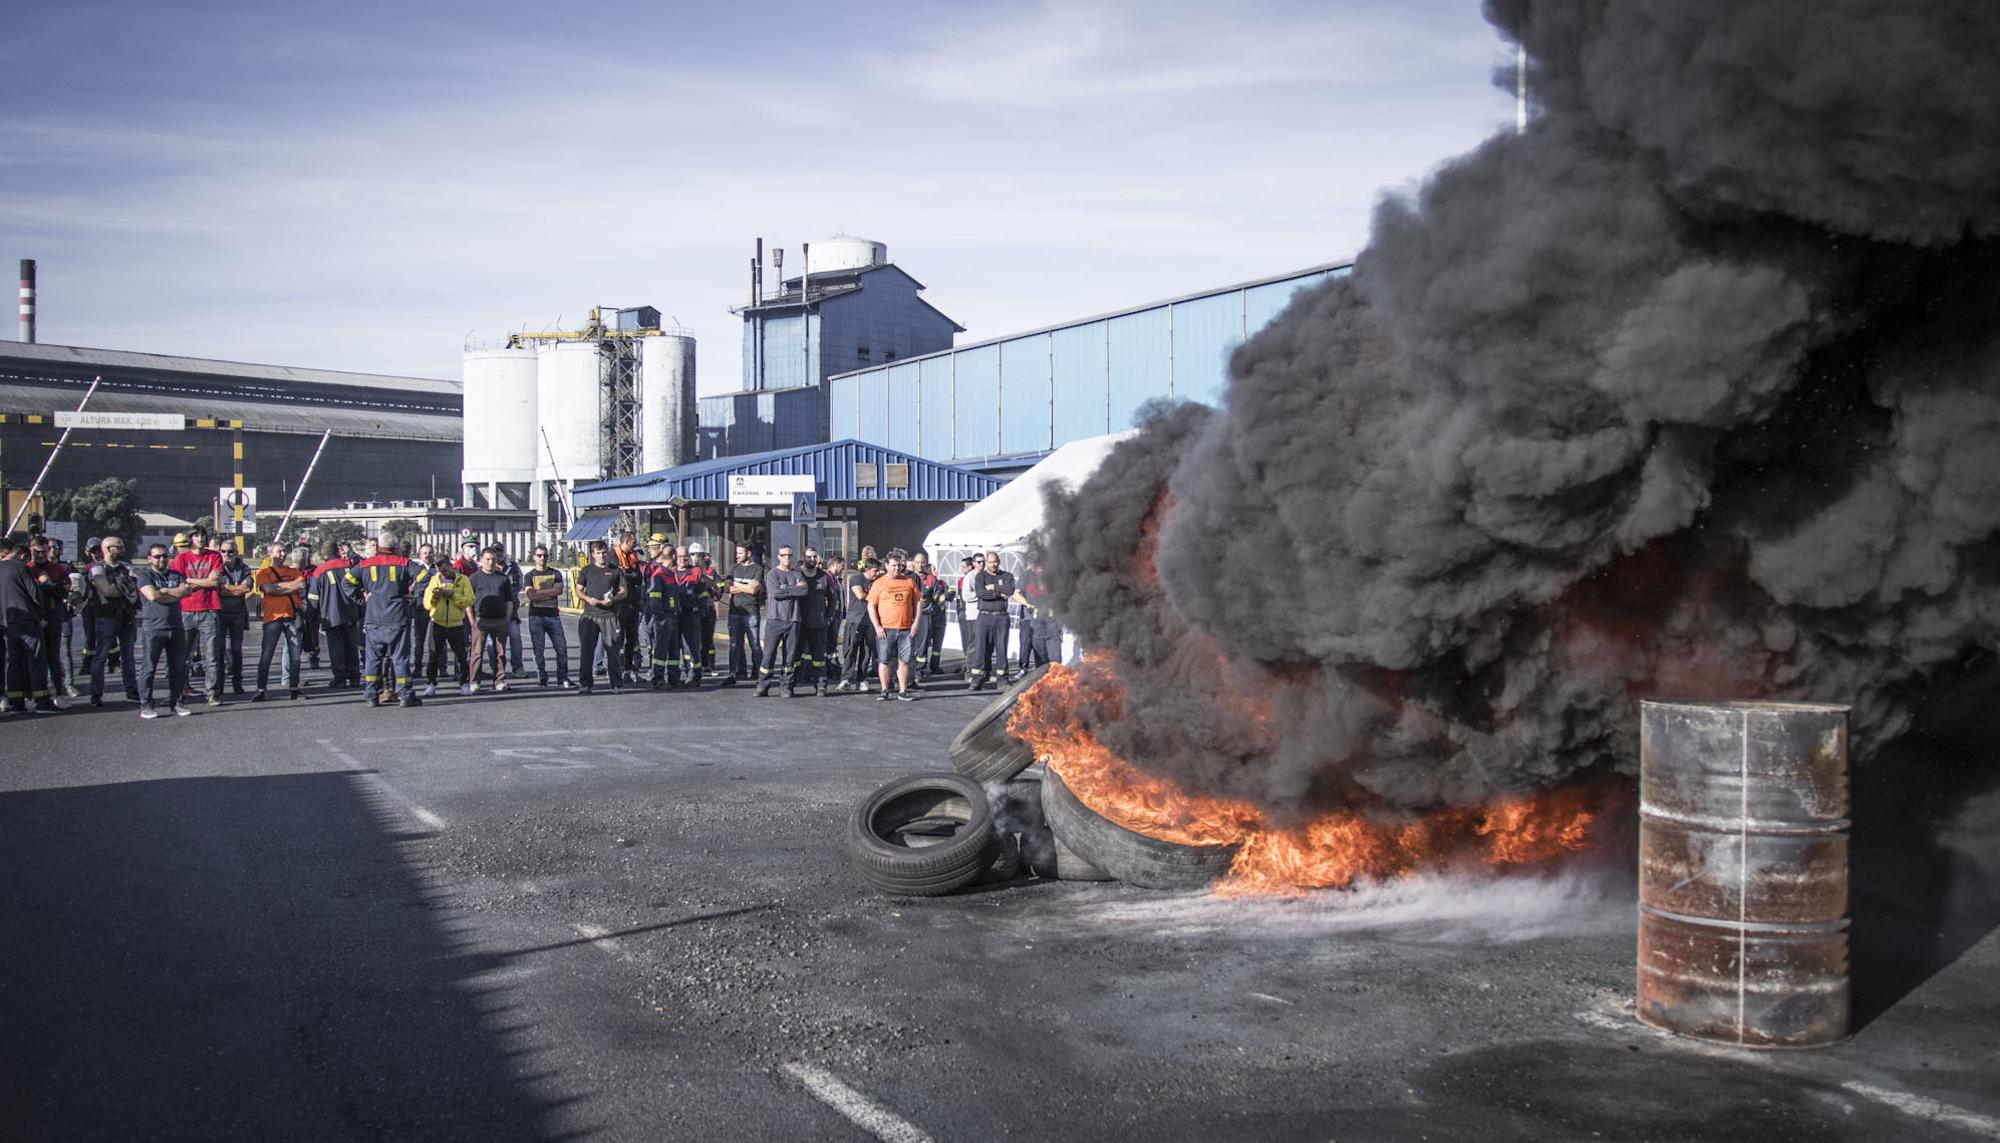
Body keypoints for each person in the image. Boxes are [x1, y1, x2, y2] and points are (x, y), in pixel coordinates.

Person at [347, 530, 422, 707]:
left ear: (379, 546)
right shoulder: (404, 562)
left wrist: (362, 598)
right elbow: (425, 576)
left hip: (373, 617)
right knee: (400, 658)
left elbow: (347, 581)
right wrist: (414, 595)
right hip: (398, 617)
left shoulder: (366, 564)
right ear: (395, 546)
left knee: (373, 659)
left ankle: (372, 695)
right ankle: (404, 695)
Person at [167, 527, 227, 705]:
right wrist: (204, 582)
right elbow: (180, 583)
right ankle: (179, 690)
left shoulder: (214, 556)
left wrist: (191, 581)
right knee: (182, 655)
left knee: (212, 656)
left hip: (209, 610)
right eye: (196, 536)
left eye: (203, 536)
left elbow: (214, 581)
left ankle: (212, 693)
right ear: (191, 539)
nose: (200, 539)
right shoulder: (181, 558)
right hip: (186, 610)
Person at [132, 542, 191, 717]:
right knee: (149, 668)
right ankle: (146, 705)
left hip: (176, 627)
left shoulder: (176, 574)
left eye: (165, 556)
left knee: (178, 668)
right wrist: (173, 593)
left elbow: (186, 591)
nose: (162, 559)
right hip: (154, 628)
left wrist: (167, 591)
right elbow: (153, 596)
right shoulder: (145, 576)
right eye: (157, 556)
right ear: (149, 558)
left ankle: (177, 702)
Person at [1, 535, 56, 713]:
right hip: (27, 622)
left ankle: (16, 702)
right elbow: (35, 595)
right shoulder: (21, 568)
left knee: (13, 662)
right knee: (36, 659)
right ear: (23, 555)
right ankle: (42, 701)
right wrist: (41, 616)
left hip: (6, 623)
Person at [84, 536, 140, 706]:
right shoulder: (97, 569)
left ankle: (131, 691)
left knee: (128, 657)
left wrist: (121, 587)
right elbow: (108, 591)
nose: (122, 549)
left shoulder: (127, 567)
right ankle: (96, 694)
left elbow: (137, 588)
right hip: (106, 617)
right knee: (100, 656)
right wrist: (125, 587)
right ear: (108, 549)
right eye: (119, 546)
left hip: (127, 617)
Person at [251, 542, 307, 701]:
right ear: (270, 553)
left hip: (292, 616)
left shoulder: (293, 570)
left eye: (284, 551)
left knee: (295, 655)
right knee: (266, 654)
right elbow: (268, 589)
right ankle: (261, 689)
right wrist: (290, 586)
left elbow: (301, 584)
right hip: (273, 617)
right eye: (279, 551)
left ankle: (294, 687)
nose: (283, 554)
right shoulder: (263, 572)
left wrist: (278, 587)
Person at [867, 549, 923, 701]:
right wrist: (877, 626)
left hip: (905, 629)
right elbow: (871, 605)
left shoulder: (909, 581)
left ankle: (903, 691)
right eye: (893, 565)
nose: (896, 568)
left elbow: (918, 602)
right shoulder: (879, 583)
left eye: (899, 565)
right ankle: (884, 690)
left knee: (904, 661)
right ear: (886, 565)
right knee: (884, 660)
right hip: (886, 629)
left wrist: (916, 622)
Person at [753, 544, 808, 698]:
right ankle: (762, 686)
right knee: (768, 655)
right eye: (784, 555)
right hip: (775, 620)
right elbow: (776, 593)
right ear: (778, 556)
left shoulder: (797, 573)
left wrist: (786, 588)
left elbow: (804, 591)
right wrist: (793, 588)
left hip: (794, 620)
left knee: (790, 657)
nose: (787, 558)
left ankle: (786, 687)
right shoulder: (772, 574)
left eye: (790, 555)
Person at [575, 540, 626, 694]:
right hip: (590, 615)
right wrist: (588, 599)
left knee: (613, 651)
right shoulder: (586, 570)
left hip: (609, 615)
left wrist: (614, 599)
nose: (602, 555)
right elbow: (579, 590)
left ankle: (616, 684)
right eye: (598, 553)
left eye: (604, 552)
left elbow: (623, 591)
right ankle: (585, 684)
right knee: (587, 650)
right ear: (593, 554)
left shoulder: (616, 570)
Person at [25, 536, 72, 699]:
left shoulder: (58, 570)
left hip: (53, 618)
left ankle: (58, 693)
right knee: (32, 657)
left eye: (44, 551)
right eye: (37, 552)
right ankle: (33, 693)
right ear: (31, 550)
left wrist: (47, 584)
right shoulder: (25, 569)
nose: (41, 555)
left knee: (53, 657)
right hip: (31, 619)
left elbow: (65, 592)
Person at [310, 539, 361, 688]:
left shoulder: (319, 571)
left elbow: (314, 597)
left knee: (336, 647)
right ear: (338, 551)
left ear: (323, 553)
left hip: (331, 615)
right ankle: (354, 677)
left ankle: (339, 678)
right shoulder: (349, 566)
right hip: (351, 612)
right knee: (352, 645)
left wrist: (312, 616)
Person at [421, 557, 474, 696]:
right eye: (439, 570)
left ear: (451, 566)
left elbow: (470, 600)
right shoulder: (434, 580)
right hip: (437, 622)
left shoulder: (463, 580)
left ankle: (463, 682)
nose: (443, 573)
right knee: (434, 656)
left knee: (461, 655)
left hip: (456, 623)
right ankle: (431, 683)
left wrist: (453, 595)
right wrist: (436, 597)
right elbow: (427, 604)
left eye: (445, 569)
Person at [522, 544, 572, 688]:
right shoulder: (529, 575)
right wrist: (548, 592)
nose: (542, 558)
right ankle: (542, 677)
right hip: (536, 616)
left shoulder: (555, 573)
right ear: (534, 557)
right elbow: (531, 596)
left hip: (553, 616)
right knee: (538, 649)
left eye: (545, 555)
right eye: (539, 555)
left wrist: (540, 593)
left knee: (561, 648)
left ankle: (562, 677)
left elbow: (559, 590)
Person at [467, 546, 514, 692]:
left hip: (500, 620)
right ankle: (474, 682)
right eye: (487, 559)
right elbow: (468, 601)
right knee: (476, 653)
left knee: (500, 653)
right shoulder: (474, 578)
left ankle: (499, 680)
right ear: (481, 560)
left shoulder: (503, 579)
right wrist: (472, 621)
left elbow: (509, 601)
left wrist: (507, 619)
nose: (490, 562)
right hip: (481, 620)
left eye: (493, 559)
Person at [968, 550, 1016, 692]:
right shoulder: (980, 576)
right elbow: (980, 593)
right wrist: (999, 593)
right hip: (984, 617)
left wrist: (993, 588)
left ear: (999, 562)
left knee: (1001, 649)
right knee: (980, 649)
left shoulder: (1007, 576)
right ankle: (977, 680)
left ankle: (1002, 679)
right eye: (990, 562)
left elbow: (1009, 590)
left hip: (1001, 617)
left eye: (995, 561)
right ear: (986, 563)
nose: (992, 564)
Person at [641, 549, 685, 690]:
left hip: (673, 616)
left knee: (673, 650)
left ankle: (673, 677)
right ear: (673, 556)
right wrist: (661, 617)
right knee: (660, 650)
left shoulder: (670, 574)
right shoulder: (659, 574)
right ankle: (658, 679)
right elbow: (654, 598)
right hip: (664, 617)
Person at [722, 543, 764, 685]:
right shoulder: (733, 568)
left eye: (740, 553)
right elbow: (728, 588)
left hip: (751, 612)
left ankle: (760, 674)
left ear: (749, 553)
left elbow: (753, 590)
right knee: (734, 645)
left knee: (755, 645)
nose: (737, 555)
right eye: (737, 553)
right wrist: (745, 586)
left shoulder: (757, 569)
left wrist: (737, 585)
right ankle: (732, 674)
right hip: (734, 612)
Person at [216, 545, 255, 696]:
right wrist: (236, 588)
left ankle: (237, 682)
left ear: (236, 553)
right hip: (219, 614)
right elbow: (217, 589)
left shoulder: (244, 568)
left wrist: (227, 589)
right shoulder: (217, 567)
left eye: (230, 551)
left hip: (238, 614)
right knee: (220, 651)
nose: (227, 554)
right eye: (224, 551)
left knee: (236, 650)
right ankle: (219, 684)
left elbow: (247, 588)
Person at [838, 559, 882, 692]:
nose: (877, 573)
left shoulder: (877, 582)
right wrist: (877, 596)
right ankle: (846, 679)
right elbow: (860, 595)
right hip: (855, 620)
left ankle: (862, 679)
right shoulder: (856, 579)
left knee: (866, 652)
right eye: (875, 570)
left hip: (869, 622)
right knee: (851, 650)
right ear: (867, 570)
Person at [796, 547, 833, 696]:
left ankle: (821, 685)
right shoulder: (796, 575)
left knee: (819, 657)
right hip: (798, 623)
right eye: (809, 557)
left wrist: (829, 616)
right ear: (803, 557)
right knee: (795, 657)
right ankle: (792, 684)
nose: (812, 559)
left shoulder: (824, 577)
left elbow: (832, 598)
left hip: (818, 624)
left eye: (814, 557)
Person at [671, 547, 708, 686]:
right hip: (675, 616)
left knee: (692, 647)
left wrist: (700, 610)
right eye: (680, 556)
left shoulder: (695, 571)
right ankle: (674, 676)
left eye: (686, 556)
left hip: (690, 615)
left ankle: (694, 676)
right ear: (675, 557)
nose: (683, 559)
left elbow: (703, 593)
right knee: (674, 647)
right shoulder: (671, 572)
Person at [910, 552, 949, 679]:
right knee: (912, 644)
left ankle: (920, 670)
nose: (920, 565)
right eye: (918, 562)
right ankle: (910, 669)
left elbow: (936, 595)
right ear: (913, 564)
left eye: (922, 562)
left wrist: (943, 597)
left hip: (926, 615)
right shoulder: (908, 578)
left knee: (924, 643)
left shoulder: (931, 579)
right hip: (909, 615)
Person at [612, 531, 644, 673]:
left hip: (633, 601)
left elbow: (638, 577)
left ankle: (629, 668)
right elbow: (618, 576)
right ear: (625, 542)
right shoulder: (612, 555)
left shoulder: (633, 555)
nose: (634, 545)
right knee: (618, 636)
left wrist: (628, 575)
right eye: (632, 542)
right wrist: (629, 575)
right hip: (619, 602)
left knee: (632, 637)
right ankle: (617, 667)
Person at [409, 542, 436, 680]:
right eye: (424, 553)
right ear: (419, 555)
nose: (427, 555)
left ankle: (438, 668)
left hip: (436, 608)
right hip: (420, 608)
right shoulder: (414, 570)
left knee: (436, 640)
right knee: (419, 640)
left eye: (430, 552)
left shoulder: (437, 570)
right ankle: (417, 667)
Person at [692, 545, 720, 672]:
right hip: (695, 610)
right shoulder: (692, 573)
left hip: (708, 610)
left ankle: (707, 663)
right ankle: (696, 664)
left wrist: (715, 590)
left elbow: (718, 588)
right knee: (696, 639)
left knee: (707, 639)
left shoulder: (710, 573)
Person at [953, 556, 978, 675]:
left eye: (964, 567)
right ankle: (967, 661)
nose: (961, 569)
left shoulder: (974, 578)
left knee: (971, 640)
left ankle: (971, 664)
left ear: (970, 566)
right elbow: (960, 598)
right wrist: (958, 611)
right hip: (963, 612)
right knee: (966, 640)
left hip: (971, 612)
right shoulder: (961, 580)